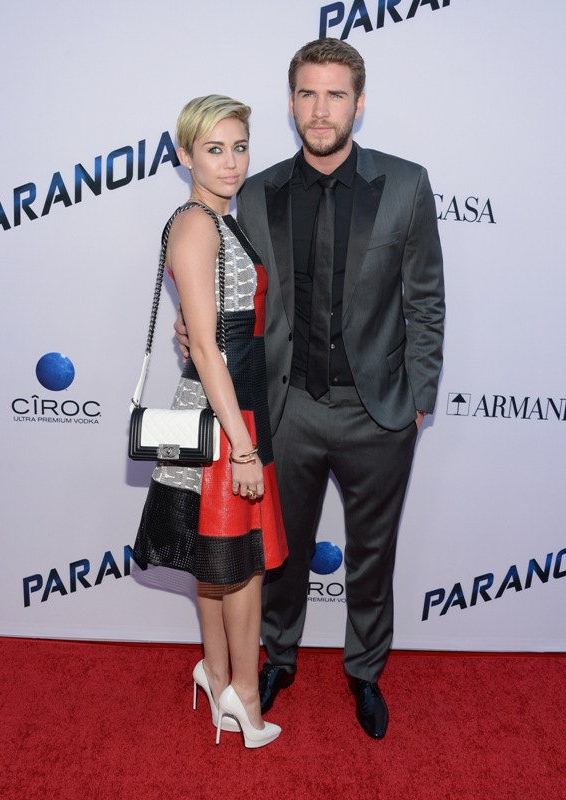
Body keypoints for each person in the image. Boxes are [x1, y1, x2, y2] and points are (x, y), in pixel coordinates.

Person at [176, 39, 445, 740]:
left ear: (359, 103)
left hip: (378, 412)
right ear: (291, 102)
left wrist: (419, 396)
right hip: (284, 409)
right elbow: (234, 291)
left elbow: (426, 299)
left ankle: (365, 672)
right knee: (279, 554)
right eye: (307, 94)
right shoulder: (255, 190)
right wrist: (193, 327)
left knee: (373, 554)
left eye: (335, 95)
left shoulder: (407, 184)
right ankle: (278, 658)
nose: (320, 110)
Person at [133, 95, 288, 749]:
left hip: (234, 403)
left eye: (240, 147)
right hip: (225, 416)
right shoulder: (197, 223)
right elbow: (204, 345)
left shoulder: (220, 219)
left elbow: (209, 323)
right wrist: (244, 448)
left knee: (217, 558)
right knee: (243, 566)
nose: (230, 163)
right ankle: (244, 696)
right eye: (214, 149)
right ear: (185, 156)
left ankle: (217, 674)